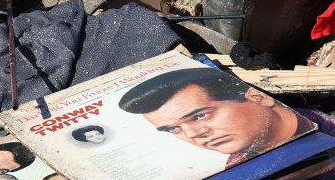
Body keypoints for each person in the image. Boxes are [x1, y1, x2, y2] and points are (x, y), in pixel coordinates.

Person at [118, 68, 315, 167]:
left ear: (259, 97)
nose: (194, 134)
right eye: (173, 129)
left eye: (201, 115)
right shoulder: (234, 171)